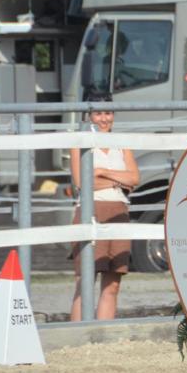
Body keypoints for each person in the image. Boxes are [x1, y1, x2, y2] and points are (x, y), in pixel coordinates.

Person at [69, 91, 139, 321]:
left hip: (119, 211)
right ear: (89, 116)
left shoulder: (122, 143)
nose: (104, 119)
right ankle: (78, 334)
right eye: (98, 113)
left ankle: (103, 334)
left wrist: (101, 172)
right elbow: (83, 182)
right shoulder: (79, 142)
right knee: (85, 281)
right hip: (92, 210)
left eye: (108, 113)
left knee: (113, 283)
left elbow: (135, 179)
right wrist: (118, 177)